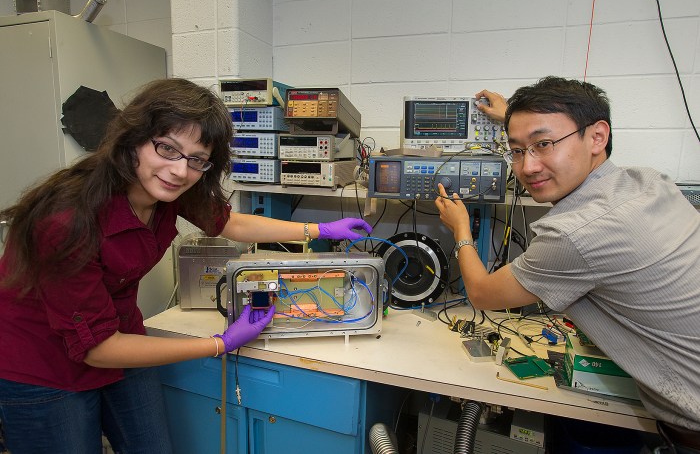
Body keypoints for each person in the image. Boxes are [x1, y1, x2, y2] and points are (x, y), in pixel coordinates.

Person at [0, 78, 372, 454]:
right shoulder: (65, 220)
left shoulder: (170, 189)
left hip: (119, 335)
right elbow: (97, 348)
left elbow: (230, 223)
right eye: (167, 149)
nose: (179, 171)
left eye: (197, 160)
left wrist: (318, 228)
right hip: (43, 362)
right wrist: (219, 344)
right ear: (133, 140)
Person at [436, 77, 700, 453]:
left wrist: (461, 228)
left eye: (543, 145)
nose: (528, 166)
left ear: (598, 137)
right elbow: (561, 131)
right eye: (517, 150)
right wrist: (518, 121)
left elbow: (479, 294)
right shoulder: (649, 182)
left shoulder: (576, 233)